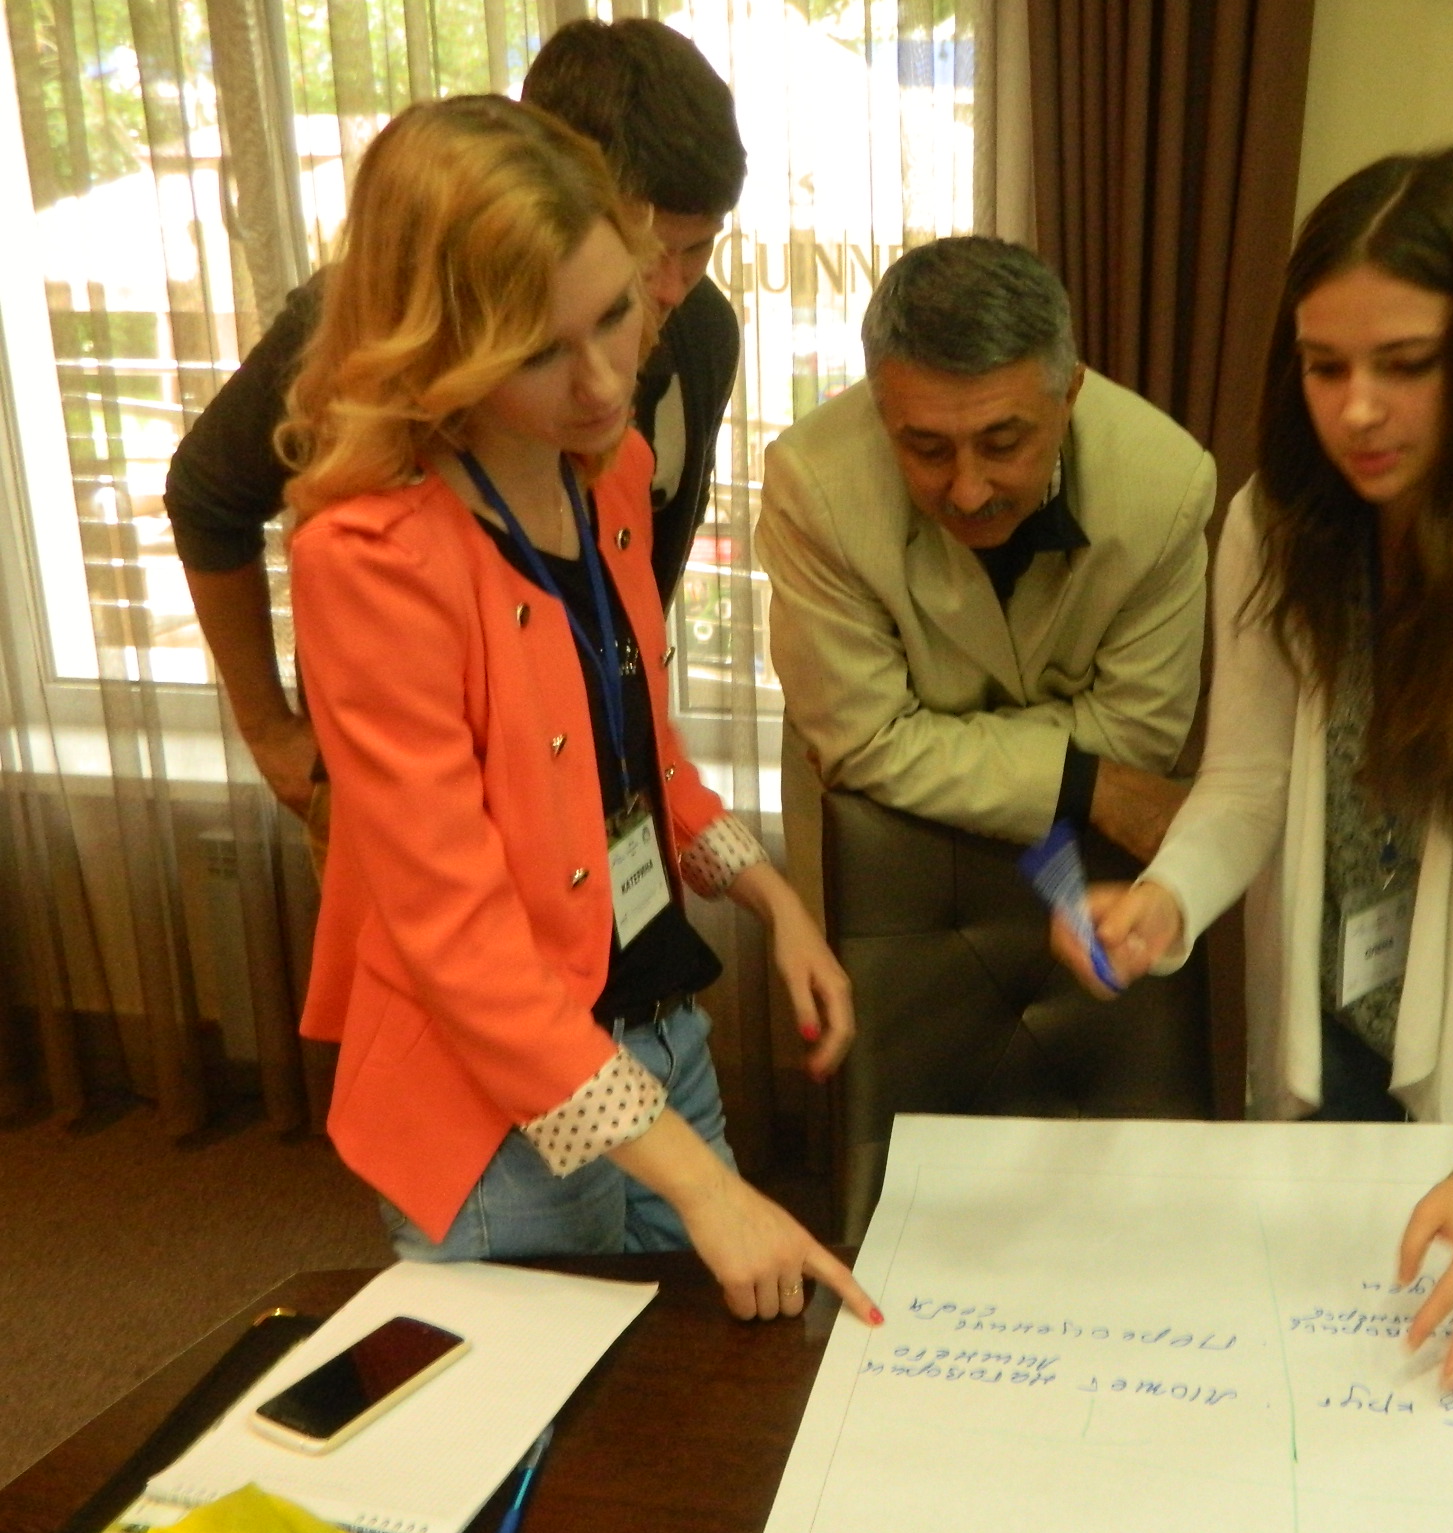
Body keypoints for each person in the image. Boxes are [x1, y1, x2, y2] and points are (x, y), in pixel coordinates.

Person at [1056, 146, 1453, 1392]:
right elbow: (1244, 785)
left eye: (1404, 364)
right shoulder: (1275, 522)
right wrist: (1168, 899)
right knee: (1316, 1373)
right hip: (1328, 1019)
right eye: (1323, 365)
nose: (1355, 410)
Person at [283, 95, 873, 1326]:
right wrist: (703, 1187)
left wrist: (774, 902)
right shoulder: (375, 561)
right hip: (493, 1108)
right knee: (541, 1416)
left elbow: (639, 760)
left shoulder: (610, 476)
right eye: (541, 353)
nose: (606, 381)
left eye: (615, 315)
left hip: (655, 1036)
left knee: (699, 1382)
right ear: (440, 349)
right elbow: (458, 942)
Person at [166, 18, 744, 845]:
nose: (671, 286)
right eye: (646, 249)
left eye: (699, 249)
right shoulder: (368, 328)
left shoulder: (703, 334)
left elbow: (638, 572)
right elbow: (206, 496)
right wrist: (269, 732)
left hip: (597, 772)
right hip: (418, 789)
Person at [757, 236, 1212, 867]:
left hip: (1087, 844)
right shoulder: (812, 483)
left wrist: (908, 744)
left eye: (1003, 444)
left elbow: (1139, 738)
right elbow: (864, 743)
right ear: (879, 411)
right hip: (877, 839)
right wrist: (1085, 779)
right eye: (928, 450)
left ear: (1070, 394)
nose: (968, 493)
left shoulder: (1166, 485)